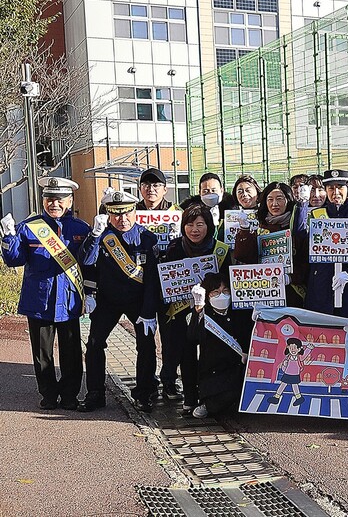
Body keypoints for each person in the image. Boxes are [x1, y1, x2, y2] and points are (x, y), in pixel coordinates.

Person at [0, 177, 90, 410]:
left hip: (69, 300)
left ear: (70, 201)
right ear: (43, 201)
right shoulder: (29, 227)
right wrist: (8, 237)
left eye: (60, 199)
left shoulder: (81, 229)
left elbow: (89, 263)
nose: (54, 204)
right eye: (49, 199)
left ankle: (70, 395)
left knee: (71, 352)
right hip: (39, 300)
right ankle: (48, 394)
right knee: (42, 353)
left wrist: (91, 293)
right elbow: (14, 260)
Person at [79, 190, 161, 412]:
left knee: (146, 345)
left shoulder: (147, 238)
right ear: (108, 214)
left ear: (134, 212)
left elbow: (152, 279)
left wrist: (149, 311)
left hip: (138, 300)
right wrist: (95, 236)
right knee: (94, 344)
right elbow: (86, 262)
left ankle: (144, 393)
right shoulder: (102, 236)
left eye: (126, 213)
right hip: (108, 300)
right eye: (116, 214)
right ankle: (95, 393)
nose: (122, 219)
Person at [159, 204, 231, 414]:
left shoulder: (220, 249)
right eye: (190, 225)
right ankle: (190, 396)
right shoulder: (175, 247)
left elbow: (226, 279)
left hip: (212, 309)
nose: (194, 230)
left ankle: (209, 397)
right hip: (181, 310)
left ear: (209, 226)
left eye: (200, 224)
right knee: (186, 352)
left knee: (210, 353)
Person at [300, 169, 348, 319]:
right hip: (322, 286)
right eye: (331, 188)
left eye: (340, 187)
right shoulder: (316, 215)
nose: (336, 192)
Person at [233, 182, 308, 307]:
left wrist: (292, 277)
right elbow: (245, 257)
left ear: (288, 200)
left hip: (292, 294)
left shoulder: (296, 227)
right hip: (264, 292)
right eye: (270, 199)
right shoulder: (259, 226)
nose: (274, 204)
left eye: (279, 199)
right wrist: (244, 231)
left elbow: (304, 260)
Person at [190, 272, 253, 418]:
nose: (221, 295)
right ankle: (208, 405)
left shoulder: (240, 313)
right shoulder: (205, 314)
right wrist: (198, 309)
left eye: (225, 291)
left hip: (236, 367)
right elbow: (193, 337)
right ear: (208, 295)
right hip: (213, 371)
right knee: (217, 401)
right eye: (216, 292)